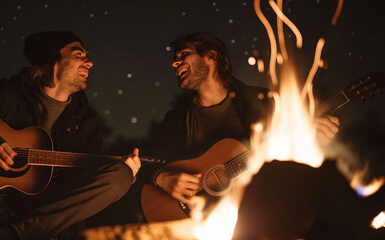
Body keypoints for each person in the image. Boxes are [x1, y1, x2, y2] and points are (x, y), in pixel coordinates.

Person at [0, 31, 141, 240]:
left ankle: (8, 234)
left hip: (46, 210)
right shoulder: (9, 94)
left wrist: (127, 173)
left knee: (120, 174)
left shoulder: (87, 122)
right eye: (79, 54)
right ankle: (4, 228)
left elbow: (90, 181)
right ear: (54, 59)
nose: (89, 62)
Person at [139, 32, 340, 217]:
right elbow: (144, 163)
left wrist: (309, 137)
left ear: (211, 56)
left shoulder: (263, 102)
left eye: (183, 54)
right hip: (198, 223)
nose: (175, 63)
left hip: (261, 213)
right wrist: (161, 178)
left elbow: (287, 159)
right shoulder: (176, 119)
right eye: (175, 58)